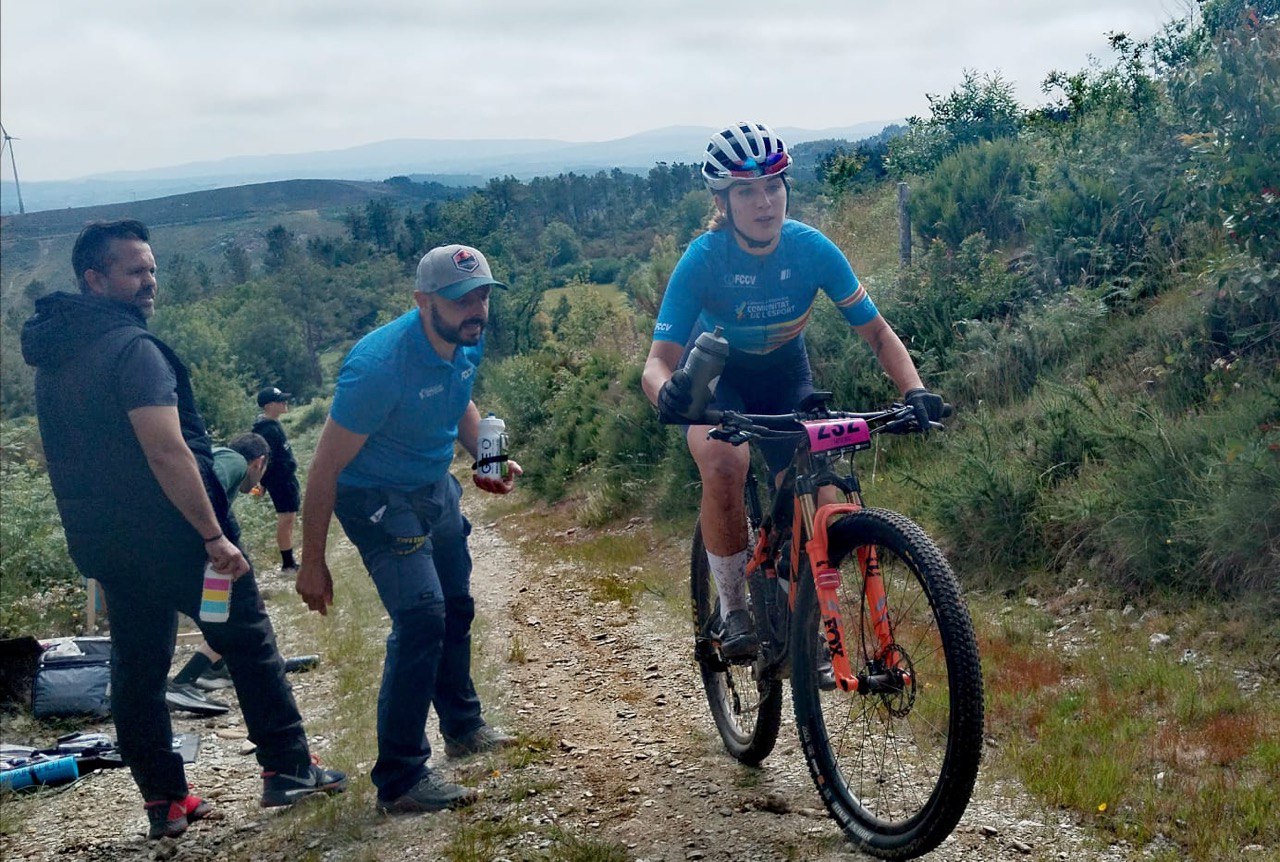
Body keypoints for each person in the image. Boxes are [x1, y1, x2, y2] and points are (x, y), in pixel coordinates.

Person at [20, 220, 346, 842]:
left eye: (152, 269)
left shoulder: (58, 358)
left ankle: (164, 801)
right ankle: (289, 768)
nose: (150, 282)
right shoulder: (132, 350)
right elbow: (167, 451)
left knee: (138, 667)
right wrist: (213, 536)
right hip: (183, 547)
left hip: (111, 548)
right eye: (135, 271)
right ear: (94, 279)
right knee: (246, 643)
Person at [640, 122, 945, 659]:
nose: (764, 202)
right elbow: (656, 364)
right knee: (723, 461)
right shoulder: (704, 259)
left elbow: (876, 332)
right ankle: (733, 608)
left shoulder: (810, 249)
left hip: (787, 375)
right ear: (722, 200)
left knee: (823, 498)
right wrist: (667, 393)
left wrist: (914, 389)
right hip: (719, 380)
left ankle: (797, 609)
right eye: (746, 191)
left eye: (774, 186)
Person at [297, 243, 522, 815]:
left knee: (456, 603)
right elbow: (324, 469)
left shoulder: (466, 335)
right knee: (422, 617)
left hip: (433, 485)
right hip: (374, 497)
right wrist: (312, 561)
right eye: (460, 298)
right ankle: (400, 778)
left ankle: (464, 726)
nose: (476, 308)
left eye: (482, 296)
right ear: (423, 301)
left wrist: (484, 461)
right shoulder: (378, 368)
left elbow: (459, 400)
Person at [167, 432, 271, 711]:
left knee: (223, 611)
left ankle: (215, 667)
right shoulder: (235, 461)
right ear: (258, 463)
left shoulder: (217, 456)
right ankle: (183, 681)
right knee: (229, 613)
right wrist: (212, 539)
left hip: (175, 544)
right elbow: (206, 489)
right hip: (188, 546)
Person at [253, 386, 301, 572]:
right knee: (286, 518)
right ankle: (288, 564)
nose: (285, 403)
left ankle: (290, 560)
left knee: (290, 517)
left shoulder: (272, 425)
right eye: (281, 400)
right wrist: (262, 484)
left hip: (286, 479)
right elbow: (263, 460)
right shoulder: (266, 431)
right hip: (279, 481)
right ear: (269, 405)